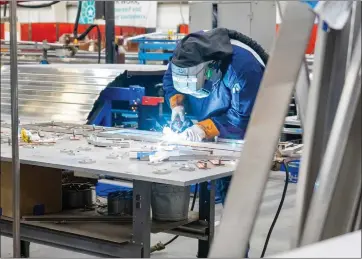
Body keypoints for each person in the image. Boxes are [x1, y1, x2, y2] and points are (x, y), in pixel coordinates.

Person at [163, 28, 268, 205]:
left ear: (212, 68)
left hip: (242, 122)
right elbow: (169, 81)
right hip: (213, 107)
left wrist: (204, 128)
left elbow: (242, 117)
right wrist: (177, 105)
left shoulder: (244, 69)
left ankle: (234, 220)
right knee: (211, 174)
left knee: (232, 185)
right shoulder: (183, 57)